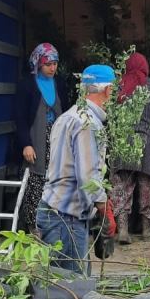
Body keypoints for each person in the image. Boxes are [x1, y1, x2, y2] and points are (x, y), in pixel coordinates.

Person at [36, 64, 117, 274]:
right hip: (66, 219)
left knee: (59, 284)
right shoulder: (88, 123)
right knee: (74, 289)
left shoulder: (67, 116)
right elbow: (88, 178)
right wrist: (105, 210)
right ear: (108, 90)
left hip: (54, 211)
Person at [110, 52, 150, 244]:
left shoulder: (117, 86)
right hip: (149, 144)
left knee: (121, 187)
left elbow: (108, 111)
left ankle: (123, 231)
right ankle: (147, 230)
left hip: (123, 145)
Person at [15, 43, 71, 233]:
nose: (52, 68)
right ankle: (32, 227)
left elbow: (68, 112)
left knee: (57, 179)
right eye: (48, 64)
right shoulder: (27, 85)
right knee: (35, 182)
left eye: (55, 64)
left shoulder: (60, 83)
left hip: (57, 139)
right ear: (38, 63)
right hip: (35, 139)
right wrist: (26, 145)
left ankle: (54, 225)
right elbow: (20, 118)